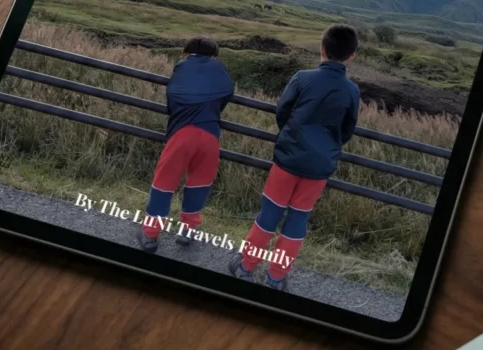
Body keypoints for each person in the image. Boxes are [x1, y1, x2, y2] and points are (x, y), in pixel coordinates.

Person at [229, 24, 360, 290]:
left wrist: (291, 136)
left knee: (269, 214)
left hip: (288, 159)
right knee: (298, 220)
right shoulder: (352, 91)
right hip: (320, 165)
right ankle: (276, 277)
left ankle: (246, 267)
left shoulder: (302, 77)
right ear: (352, 56)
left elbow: (282, 111)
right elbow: (347, 129)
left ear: (322, 49)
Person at [138, 35, 234, 252]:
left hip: (182, 133)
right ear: (215, 57)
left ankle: (150, 234)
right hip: (210, 135)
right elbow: (227, 92)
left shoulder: (182, 66)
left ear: (186, 53)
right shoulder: (219, 70)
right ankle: (188, 232)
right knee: (199, 184)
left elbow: (173, 96)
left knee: (164, 183)